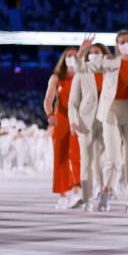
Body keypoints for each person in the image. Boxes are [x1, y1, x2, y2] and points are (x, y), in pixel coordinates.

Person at [79, 30, 128, 215]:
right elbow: (84, 69)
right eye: (121, 41)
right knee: (114, 159)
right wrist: (82, 53)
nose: (125, 44)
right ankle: (106, 191)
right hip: (110, 112)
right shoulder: (109, 62)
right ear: (117, 45)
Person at [67, 42, 110, 211]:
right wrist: (73, 121)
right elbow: (72, 101)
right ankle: (86, 198)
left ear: (104, 54)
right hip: (85, 122)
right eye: (91, 52)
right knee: (86, 160)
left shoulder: (110, 72)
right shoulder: (82, 71)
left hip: (106, 120)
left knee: (102, 161)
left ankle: (102, 192)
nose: (93, 54)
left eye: (96, 52)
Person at [44, 48, 83, 209]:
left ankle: (77, 189)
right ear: (63, 58)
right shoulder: (56, 77)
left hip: (77, 118)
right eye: (68, 56)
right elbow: (48, 99)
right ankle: (62, 194)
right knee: (60, 156)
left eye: (74, 56)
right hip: (60, 118)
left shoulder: (81, 76)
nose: (71, 58)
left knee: (76, 154)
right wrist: (49, 115)